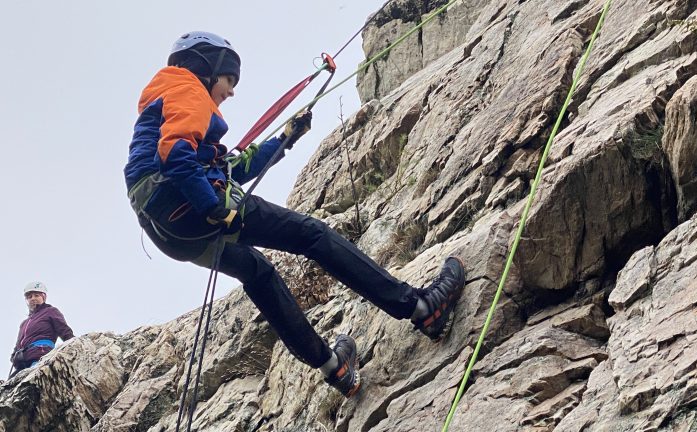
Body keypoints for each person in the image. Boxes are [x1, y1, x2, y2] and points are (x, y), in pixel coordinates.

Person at [123, 31, 466, 397]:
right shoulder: (186, 86)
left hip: (170, 231)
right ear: (206, 66)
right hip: (187, 204)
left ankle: (335, 368)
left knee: (259, 275)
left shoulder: (160, 108)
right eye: (229, 78)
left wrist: (285, 137)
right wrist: (213, 207)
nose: (232, 90)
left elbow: (225, 168)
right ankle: (422, 308)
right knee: (312, 235)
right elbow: (176, 153)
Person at [10, 282, 75, 376]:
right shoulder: (24, 323)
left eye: (36, 295)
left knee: (34, 379)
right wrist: (13, 356)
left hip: (41, 354)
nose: (33, 298)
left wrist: (73, 344)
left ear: (43, 297)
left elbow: (63, 329)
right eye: (29, 297)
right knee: (9, 386)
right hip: (22, 360)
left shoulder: (50, 311)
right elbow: (18, 344)